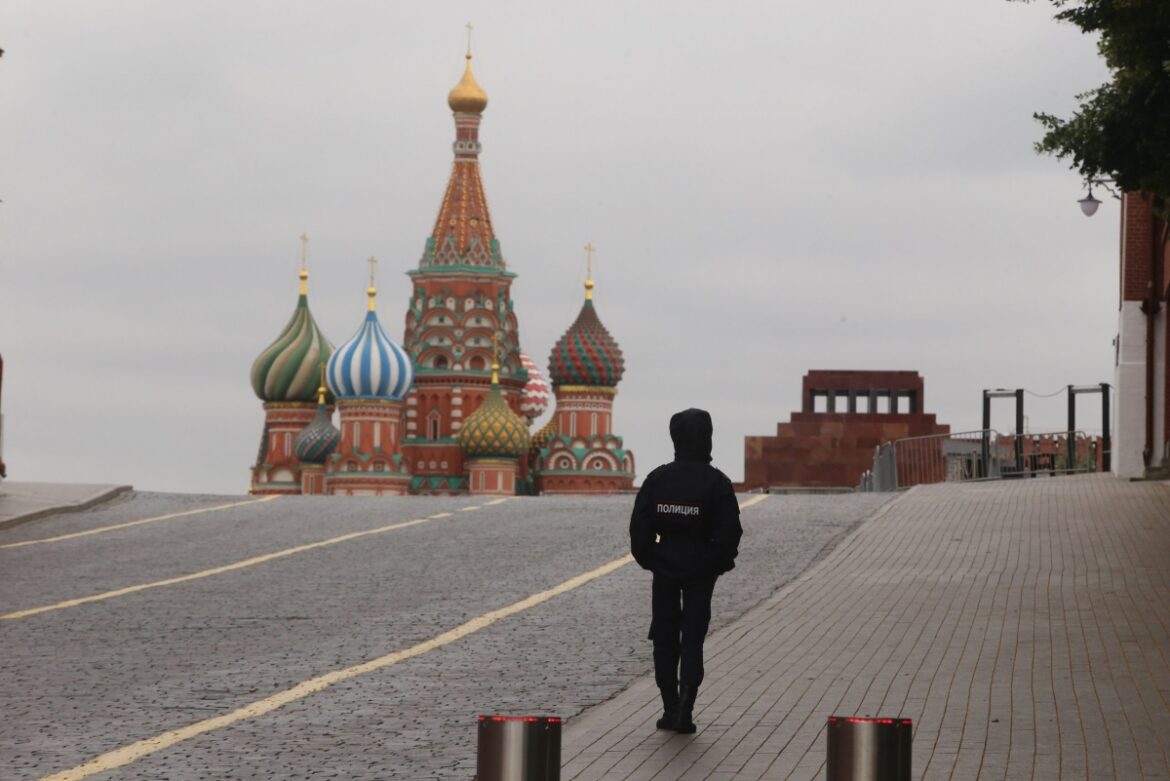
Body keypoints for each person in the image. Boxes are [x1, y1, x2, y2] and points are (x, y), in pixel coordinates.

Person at [629, 407, 743, 733]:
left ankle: (669, 706)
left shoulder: (658, 479)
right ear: (707, 437)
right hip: (701, 571)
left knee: (664, 637)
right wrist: (713, 564)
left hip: (664, 568)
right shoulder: (716, 482)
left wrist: (655, 559)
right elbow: (729, 533)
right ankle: (685, 709)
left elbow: (639, 531)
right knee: (693, 638)